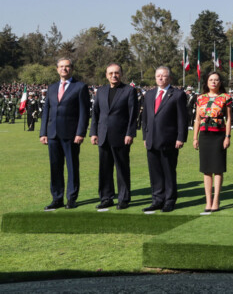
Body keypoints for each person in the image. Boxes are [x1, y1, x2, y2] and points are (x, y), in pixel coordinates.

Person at [40, 58, 91, 210]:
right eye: (61, 67)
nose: (64, 69)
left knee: (72, 167)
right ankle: (57, 198)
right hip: (53, 134)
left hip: (71, 134)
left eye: (67, 67)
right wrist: (43, 132)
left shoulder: (80, 87)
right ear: (57, 69)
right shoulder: (52, 88)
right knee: (55, 167)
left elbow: (84, 112)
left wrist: (80, 132)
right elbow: (46, 112)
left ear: (72, 69)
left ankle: (71, 198)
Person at [90, 63, 138, 210]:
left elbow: (133, 114)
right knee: (104, 169)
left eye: (116, 73)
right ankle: (106, 198)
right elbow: (95, 114)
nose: (113, 75)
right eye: (110, 73)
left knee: (122, 169)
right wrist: (93, 133)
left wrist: (130, 133)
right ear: (106, 75)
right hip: (103, 135)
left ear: (121, 74)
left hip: (121, 136)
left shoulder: (129, 91)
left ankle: (123, 198)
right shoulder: (101, 91)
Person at [141, 66, 188, 213]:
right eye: (158, 76)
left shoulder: (177, 94)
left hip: (169, 140)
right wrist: (145, 136)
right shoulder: (149, 94)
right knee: (154, 172)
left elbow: (182, 118)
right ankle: (157, 199)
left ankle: (169, 200)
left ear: (170, 78)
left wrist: (181, 137)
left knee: (168, 171)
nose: (160, 78)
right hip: (151, 139)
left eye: (164, 76)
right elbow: (145, 118)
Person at [192, 71, 232, 213]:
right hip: (204, 135)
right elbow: (197, 119)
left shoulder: (226, 97)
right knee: (206, 169)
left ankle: (216, 200)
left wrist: (228, 136)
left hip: (219, 136)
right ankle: (208, 201)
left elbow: (228, 119)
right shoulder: (200, 98)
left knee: (218, 168)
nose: (214, 82)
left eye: (216, 80)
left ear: (220, 82)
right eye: (211, 80)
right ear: (207, 82)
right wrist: (195, 137)